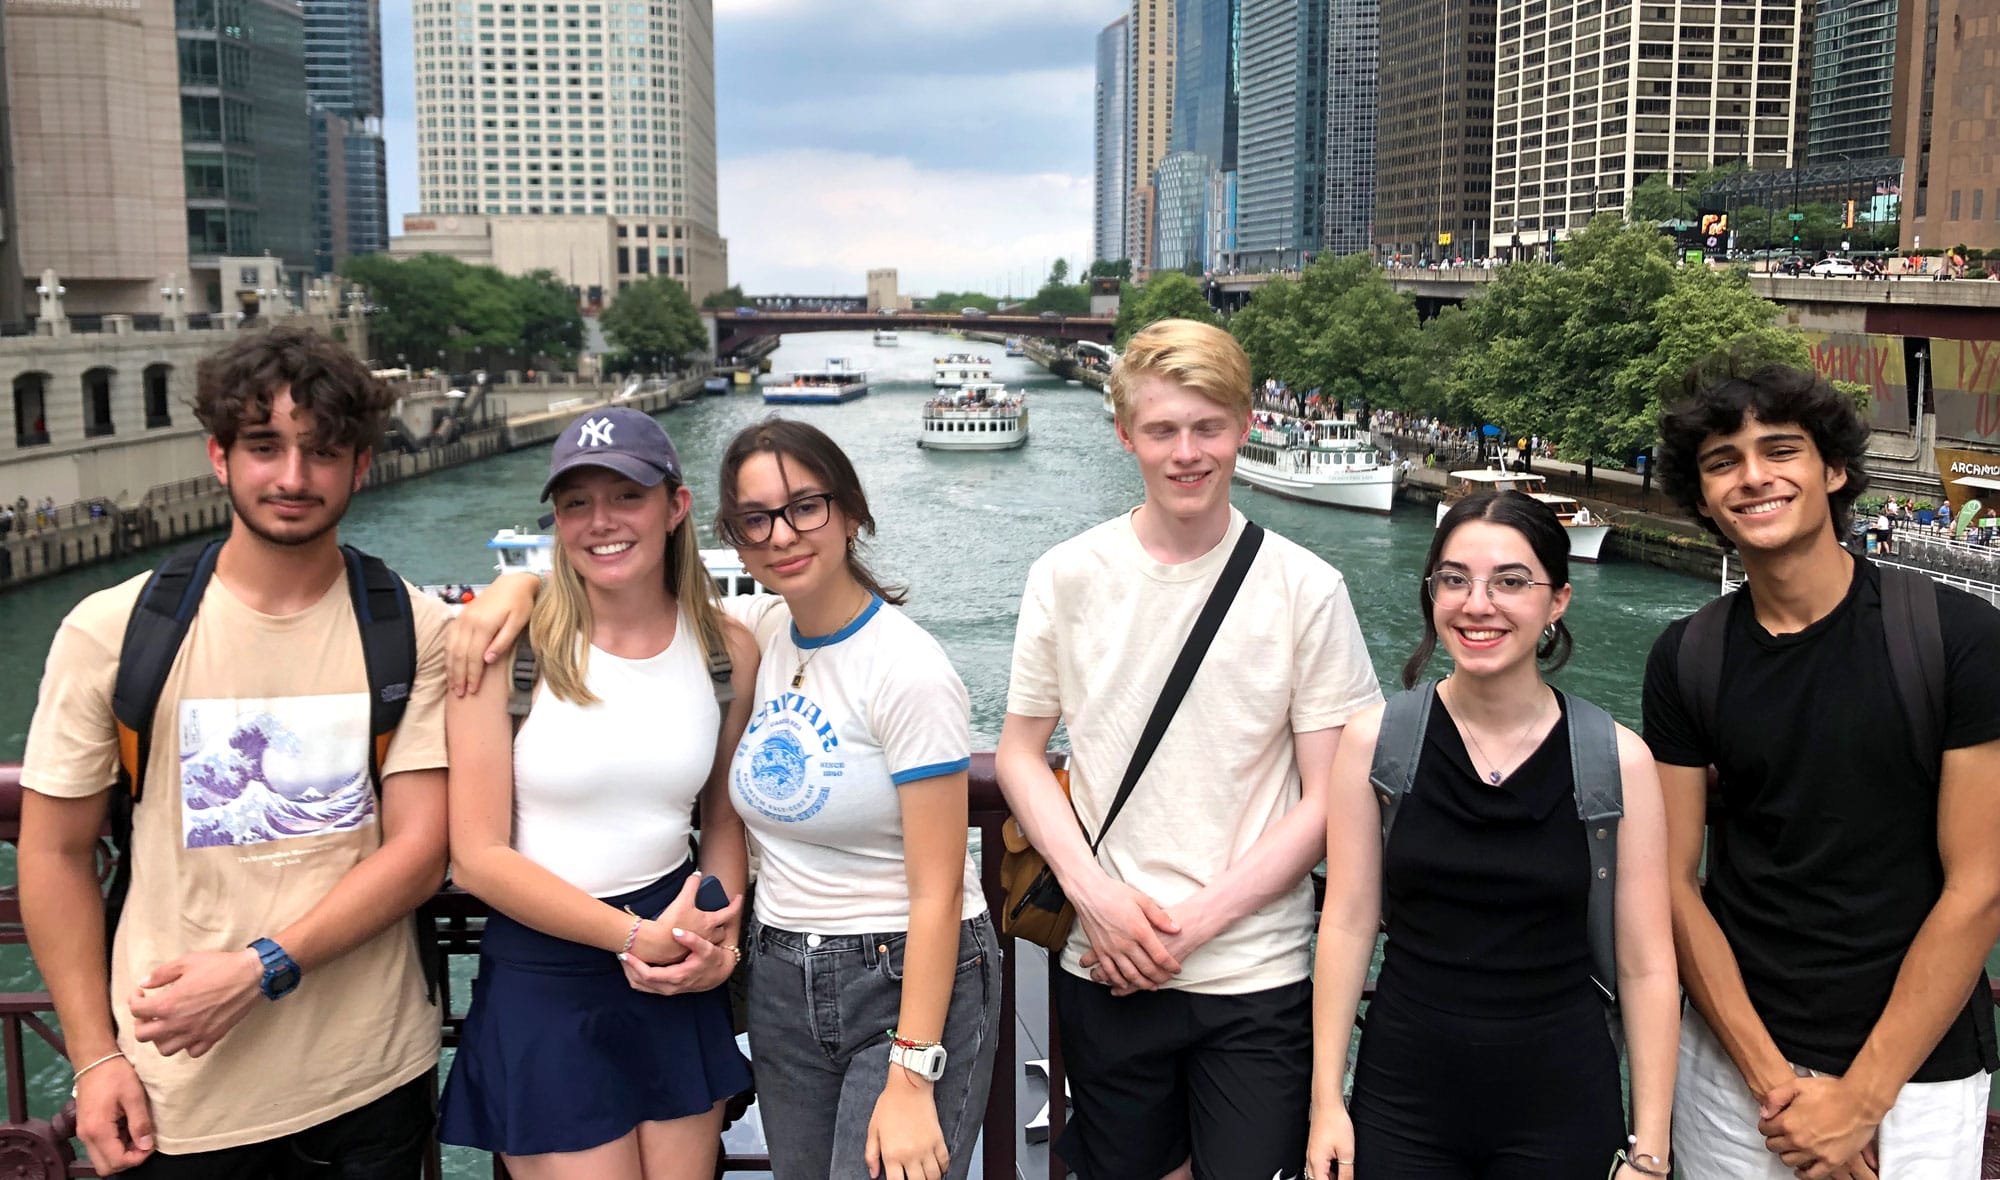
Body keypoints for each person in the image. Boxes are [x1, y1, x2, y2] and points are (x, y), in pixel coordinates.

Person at [451, 417, 1002, 1180]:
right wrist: (518, 582)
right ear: (732, 537)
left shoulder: (811, 656)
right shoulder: (757, 633)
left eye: (806, 507)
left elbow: (923, 883)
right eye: (755, 520)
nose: (781, 535)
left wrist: (713, 942)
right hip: (659, 971)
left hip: (836, 972)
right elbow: (477, 855)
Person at [17, 326, 451, 1176]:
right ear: (219, 457)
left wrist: (259, 969)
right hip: (175, 1091)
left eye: (323, 452)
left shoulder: (411, 627)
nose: (292, 478)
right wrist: (95, 1055)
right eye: (264, 447)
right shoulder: (114, 631)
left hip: (368, 1077)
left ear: (361, 467)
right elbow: (54, 852)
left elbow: (421, 847)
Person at [995, 319, 1382, 1180]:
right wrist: (1097, 899)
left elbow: (1333, 798)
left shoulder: (1307, 590)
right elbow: (1020, 752)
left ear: (1246, 426)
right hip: (1107, 960)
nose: (1187, 453)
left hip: (1255, 971)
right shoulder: (1067, 575)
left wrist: (1185, 927)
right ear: (1127, 434)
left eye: (1208, 428)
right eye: (1163, 430)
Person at [1646, 360, 2000, 1179]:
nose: (1753, 477)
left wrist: (1861, 1099)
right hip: (1740, 1072)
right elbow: (1671, 884)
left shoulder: (1955, 638)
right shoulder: (1688, 657)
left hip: (1918, 1075)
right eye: (1722, 462)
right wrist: (1778, 1089)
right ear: (1702, 498)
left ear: (1834, 470)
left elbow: (1978, 887)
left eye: (1780, 450)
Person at [1305, 490, 1678, 1180]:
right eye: (1455, 580)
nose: (1478, 604)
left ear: (1557, 601)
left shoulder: (1618, 760)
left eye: (1511, 582)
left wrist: (1649, 1149)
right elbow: (1350, 923)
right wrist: (1327, 1102)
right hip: (1401, 1098)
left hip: (1563, 1103)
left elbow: (1648, 963)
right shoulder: (1377, 743)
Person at [436, 407, 757, 1178]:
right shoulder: (506, 649)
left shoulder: (727, 652)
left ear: (675, 507)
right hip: (547, 976)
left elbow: (721, 819)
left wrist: (718, 935)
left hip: (673, 961)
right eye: (577, 502)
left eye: (626, 497)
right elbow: (476, 857)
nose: (600, 522)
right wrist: (630, 937)